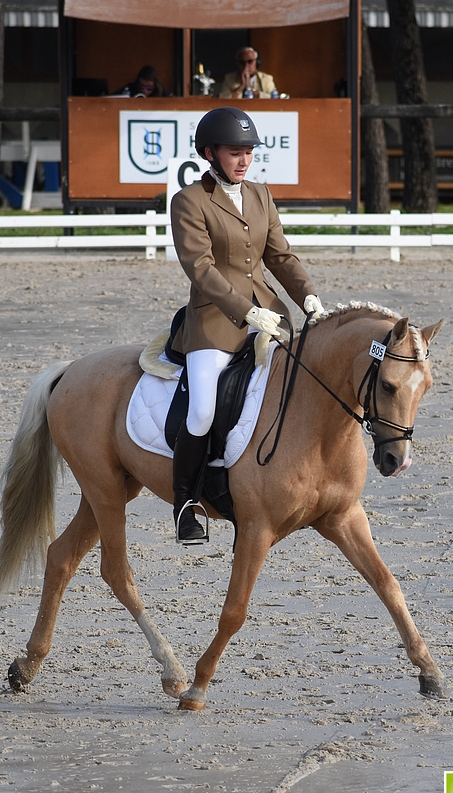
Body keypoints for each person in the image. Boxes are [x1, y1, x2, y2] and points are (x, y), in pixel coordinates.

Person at [168, 106, 324, 542]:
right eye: (234, 152)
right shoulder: (189, 202)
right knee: (202, 408)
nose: (243, 160)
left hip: (270, 315)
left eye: (248, 152)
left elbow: (280, 256)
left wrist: (307, 295)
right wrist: (245, 310)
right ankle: (185, 503)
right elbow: (201, 269)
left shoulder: (260, 194)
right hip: (215, 322)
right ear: (209, 153)